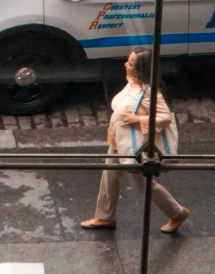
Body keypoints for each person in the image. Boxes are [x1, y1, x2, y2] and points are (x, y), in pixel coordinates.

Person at [79, 49, 191, 235]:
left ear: (141, 70)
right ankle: (105, 217)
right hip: (118, 143)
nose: (126, 65)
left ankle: (177, 212)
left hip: (134, 149)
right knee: (109, 177)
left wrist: (137, 120)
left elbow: (165, 117)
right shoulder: (133, 83)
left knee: (144, 185)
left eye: (130, 64)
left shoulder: (149, 93)